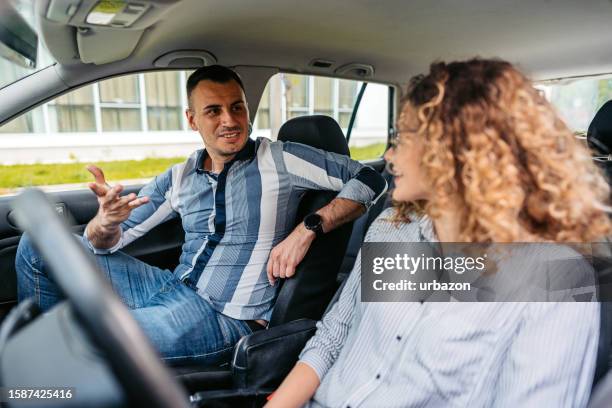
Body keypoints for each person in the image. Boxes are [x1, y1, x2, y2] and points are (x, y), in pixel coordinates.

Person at [267, 58, 612, 407]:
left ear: (454, 149)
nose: (388, 154)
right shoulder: (391, 230)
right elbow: (333, 336)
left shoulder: (555, 280)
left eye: (402, 139)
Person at [15, 65, 387, 366]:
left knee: (83, 335)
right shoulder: (179, 176)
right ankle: (52, 359)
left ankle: (53, 367)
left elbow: (369, 177)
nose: (229, 120)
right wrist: (105, 222)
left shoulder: (280, 158)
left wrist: (309, 227)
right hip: (167, 288)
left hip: (222, 320)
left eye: (237, 107)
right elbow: (106, 242)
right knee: (37, 244)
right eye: (213, 110)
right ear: (193, 120)